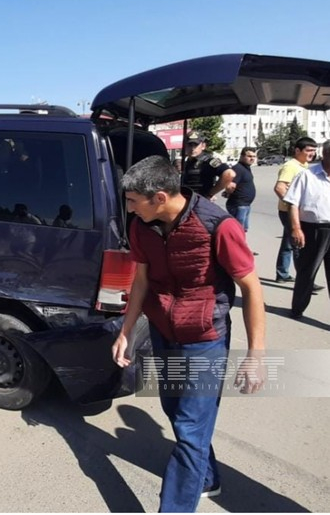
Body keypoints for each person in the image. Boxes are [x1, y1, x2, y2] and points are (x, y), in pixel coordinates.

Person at [112, 155, 266, 512]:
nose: (129, 209)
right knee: (175, 410)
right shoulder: (141, 227)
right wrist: (126, 331)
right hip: (163, 331)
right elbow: (141, 280)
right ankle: (207, 478)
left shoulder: (218, 226)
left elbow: (251, 288)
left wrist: (255, 355)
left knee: (190, 428)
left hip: (204, 339)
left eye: (133, 201)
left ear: (160, 197)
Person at [284, 140, 330, 319]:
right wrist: (296, 228)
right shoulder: (307, 175)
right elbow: (292, 204)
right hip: (313, 230)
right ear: (326, 154)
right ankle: (298, 309)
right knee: (307, 272)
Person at [273, 137, 321, 285]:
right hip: (289, 212)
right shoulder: (290, 166)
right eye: (308, 150)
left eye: (313, 150)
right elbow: (280, 188)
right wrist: (292, 205)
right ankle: (305, 280)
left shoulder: (304, 165)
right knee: (299, 244)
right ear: (297, 150)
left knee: (288, 243)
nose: (312, 153)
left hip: (294, 211)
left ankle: (282, 273)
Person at [181, 131, 234, 200]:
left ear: (203, 146)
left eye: (196, 145)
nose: (192, 148)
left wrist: (210, 194)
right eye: (190, 145)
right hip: (187, 199)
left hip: (200, 201)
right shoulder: (186, 162)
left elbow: (229, 174)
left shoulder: (208, 161)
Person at [224, 147, 258, 231]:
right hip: (238, 205)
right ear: (242, 156)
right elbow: (230, 185)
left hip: (245, 204)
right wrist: (229, 193)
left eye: (254, 156)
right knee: (238, 230)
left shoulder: (246, 168)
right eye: (249, 156)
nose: (252, 158)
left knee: (243, 229)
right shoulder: (238, 168)